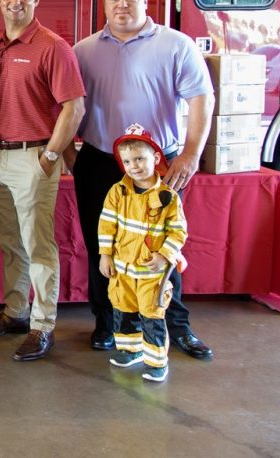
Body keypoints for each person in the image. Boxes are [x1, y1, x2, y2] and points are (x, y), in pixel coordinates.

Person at [66, 0, 215, 360]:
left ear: (146, 1)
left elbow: (202, 98)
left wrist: (190, 154)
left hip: (156, 165)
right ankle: (107, 322)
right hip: (98, 161)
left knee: (162, 245)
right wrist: (70, 155)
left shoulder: (176, 46)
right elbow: (65, 106)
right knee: (105, 243)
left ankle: (174, 325)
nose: (122, 5)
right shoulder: (83, 51)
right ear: (104, 3)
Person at [0, 0, 85, 362]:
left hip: (33, 157)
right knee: (10, 243)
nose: (15, 2)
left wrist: (50, 155)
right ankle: (16, 312)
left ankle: (42, 325)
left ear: (37, 0)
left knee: (38, 246)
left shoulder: (53, 47)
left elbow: (74, 108)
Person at [100, 124, 189, 383]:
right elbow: (107, 225)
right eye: (127, 161)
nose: (134, 166)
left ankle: (156, 361)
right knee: (122, 309)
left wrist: (164, 255)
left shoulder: (168, 198)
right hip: (123, 270)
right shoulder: (118, 192)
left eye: (140, 158)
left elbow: (178, 232)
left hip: (152, 273)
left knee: (151, 315)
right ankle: (130, 350)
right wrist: (105, 255)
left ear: (157, 158)